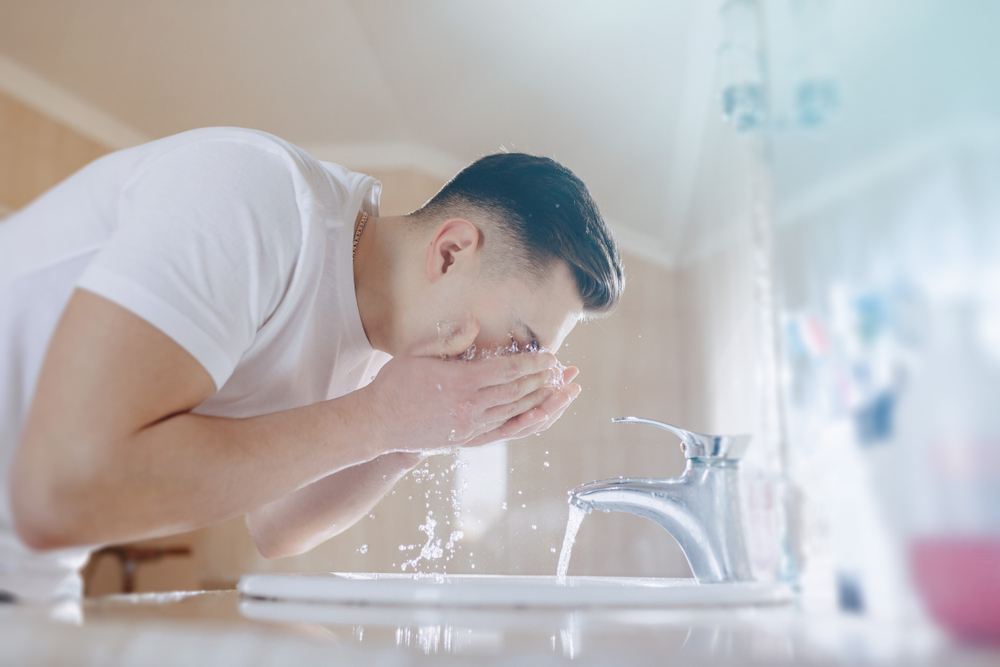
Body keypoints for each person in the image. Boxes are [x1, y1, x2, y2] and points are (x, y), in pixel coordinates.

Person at [0, 127, 624, 600]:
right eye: (519, 341)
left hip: (30, 583)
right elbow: (59, 494)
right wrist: (382, 418)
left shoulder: (368, 335)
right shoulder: (249, 193)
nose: (515, 368)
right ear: (452, 251)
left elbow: (276, 528)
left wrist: (419, 435)